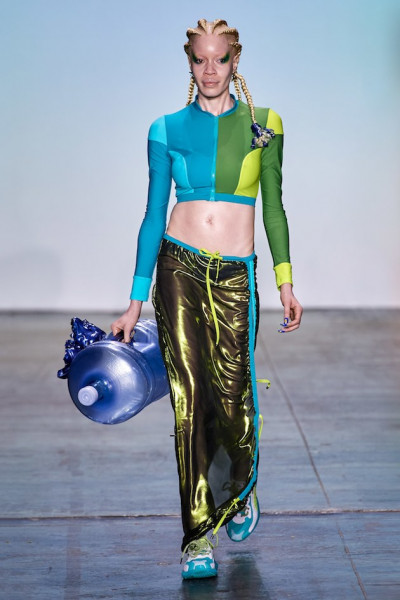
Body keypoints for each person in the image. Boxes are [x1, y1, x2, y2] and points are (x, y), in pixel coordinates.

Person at [111, 18, 302, 579]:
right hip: (179, 267)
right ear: (190, 62)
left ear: (235, 61)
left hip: (237, 274)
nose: (211, 69)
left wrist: (286, 280)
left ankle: (240, 489)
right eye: (201, 59)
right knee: (189, 397)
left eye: (221, 58)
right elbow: (153, 215)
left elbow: (273, 206)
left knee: (234, 395)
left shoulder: (265, 125)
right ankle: (197, 536)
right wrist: (135, 299)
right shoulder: (166, 128)